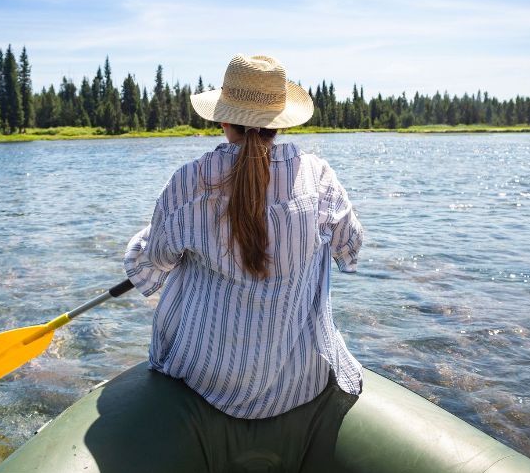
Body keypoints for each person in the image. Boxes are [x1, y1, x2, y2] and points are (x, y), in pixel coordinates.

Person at [124, 54, 364, 422]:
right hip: (298, 382)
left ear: (223, 118)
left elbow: (153, 264)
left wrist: (155, 237)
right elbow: (350, 249)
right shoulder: (318, 177)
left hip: (205, 379)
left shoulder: (190, 181)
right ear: (280, 122)